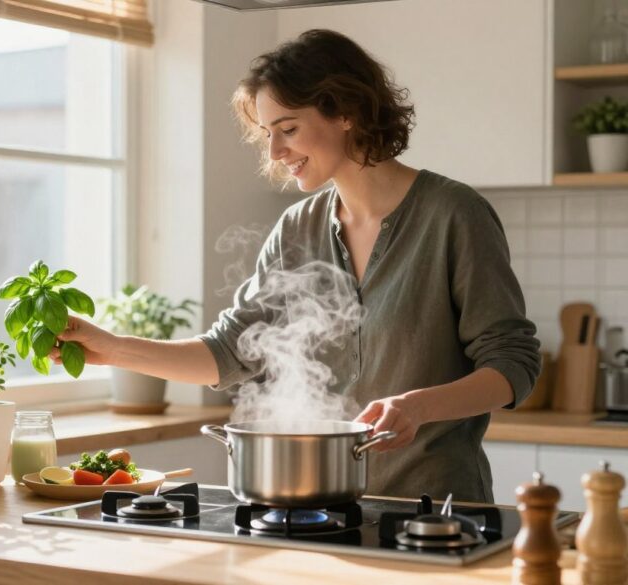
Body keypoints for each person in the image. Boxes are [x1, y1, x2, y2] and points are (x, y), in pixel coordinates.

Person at [48, 29, 540, 503]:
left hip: (436, 509)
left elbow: (511, 366)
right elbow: (229, 351)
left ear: (345, 112)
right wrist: (110, 349)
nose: (275, 152)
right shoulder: (296, 230)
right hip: (321, 507)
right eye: (267, 134)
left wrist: (418, 407)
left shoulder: (454, 215)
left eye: (288, 129)